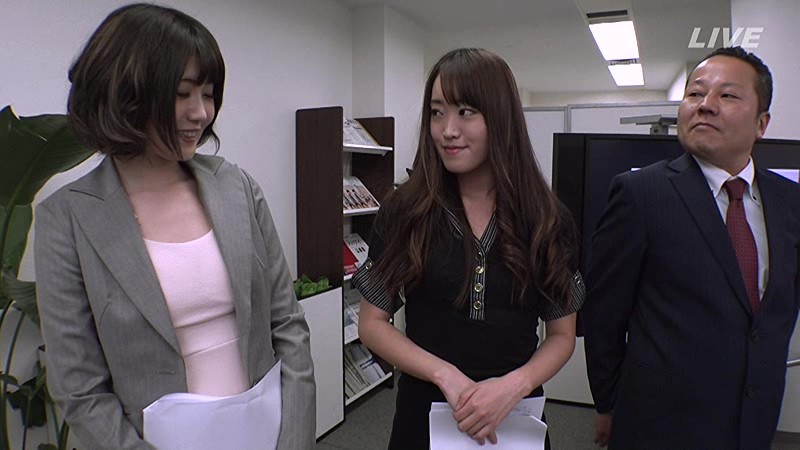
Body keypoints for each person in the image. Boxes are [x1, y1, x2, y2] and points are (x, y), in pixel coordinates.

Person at [34, 4, 315, 449]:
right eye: (183, 93)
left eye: (208, 94)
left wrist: (294, 440)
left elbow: (289, 326)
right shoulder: (67, 219)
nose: (201, 112)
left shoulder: (237, 187)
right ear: (126, 93)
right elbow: (80, 389)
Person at [353, 48, 584, 449]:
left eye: (466, 112)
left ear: (501, 117)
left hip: (516, 418)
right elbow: (372, 323)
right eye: (437, 112)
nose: (447, 130)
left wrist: (515, 385)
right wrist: (445, 375)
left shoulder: (546, 217)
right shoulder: (405, 209)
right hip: (423, 417)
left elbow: (562, 334)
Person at [583, 46, 800, 449]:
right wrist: (609, 404)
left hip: (754, 421)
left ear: (762, 123)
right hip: (659, 425)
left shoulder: (790, 201)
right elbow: (604, 315)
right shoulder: (640, 193)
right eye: (695, 93)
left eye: (727, 95)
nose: (705, 105)